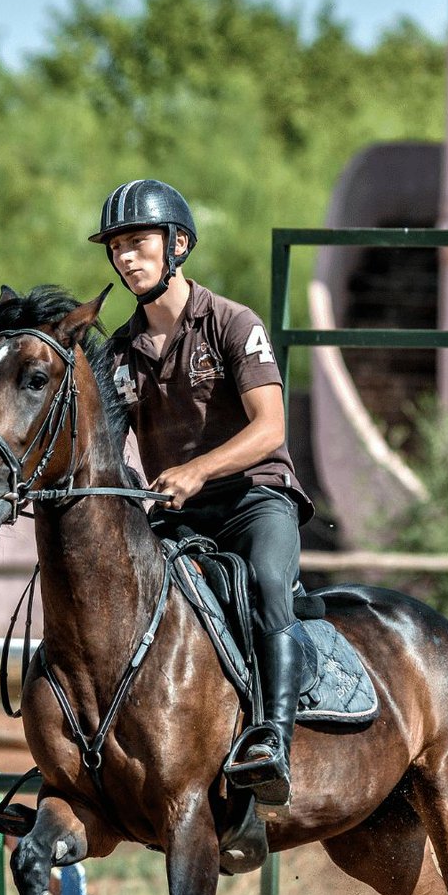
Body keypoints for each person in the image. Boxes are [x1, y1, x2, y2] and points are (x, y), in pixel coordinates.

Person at [92, 179, 314, 818]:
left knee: (270, 585)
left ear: (178, 244)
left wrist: (193, 472)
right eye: (117, 248)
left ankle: (273, 737)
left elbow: (270, 428)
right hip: (175, 517)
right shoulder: (117, 354)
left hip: (255, 502)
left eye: (139, 243)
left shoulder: (233, 323)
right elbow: (106, 450)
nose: (127, 258)